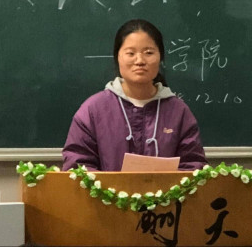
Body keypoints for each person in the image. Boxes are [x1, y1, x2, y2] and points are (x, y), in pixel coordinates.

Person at [62, 19, 208, 171]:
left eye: (149, 53)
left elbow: (193, 165)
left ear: (161, 57)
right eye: (130, 53)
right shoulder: (93, 110)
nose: (140, 61)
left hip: (168, 188)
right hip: (107, 188)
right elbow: (77, 166)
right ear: (117, 57)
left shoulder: (178, 112)